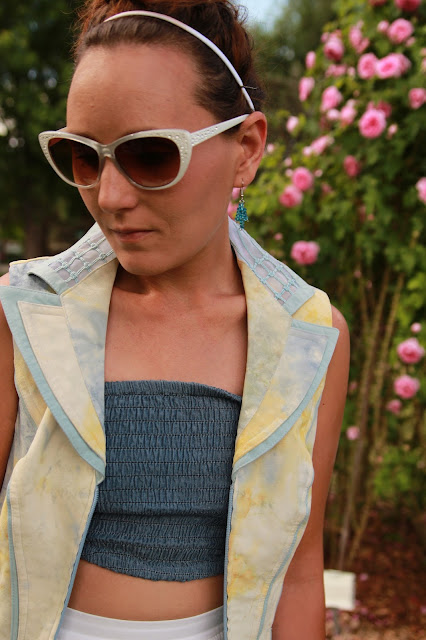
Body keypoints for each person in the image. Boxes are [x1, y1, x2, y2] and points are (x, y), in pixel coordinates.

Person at [0, 1, 350, 639]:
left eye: (151, 155)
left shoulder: (310, 336)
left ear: (246, 149)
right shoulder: (23, 315)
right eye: (85, 157)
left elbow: (298, 571)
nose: (110, 196)